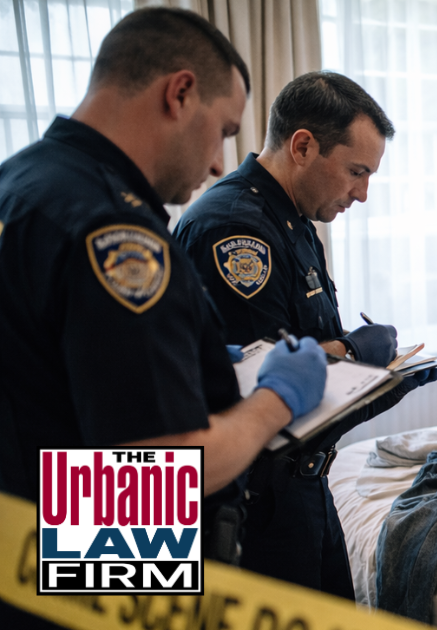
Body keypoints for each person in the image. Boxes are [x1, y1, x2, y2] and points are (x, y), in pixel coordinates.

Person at [0, 8, 328, 628]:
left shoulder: (21, 183)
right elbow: (156, 472)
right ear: (179, 93)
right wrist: (276, 400)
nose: (216, 164)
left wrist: (196, 362)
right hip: (104, 561)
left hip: (29, 542)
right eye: (224, 130)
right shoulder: (115, 232)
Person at [174, 71, 437, 598]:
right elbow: (263, 382)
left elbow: (299, 346)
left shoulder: (293, 220)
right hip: (255, 505)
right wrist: (351, 353)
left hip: (305, 485)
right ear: (303, 146)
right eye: (356, 172)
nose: (362, 194)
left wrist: (379, 373)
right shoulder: (236, 229)